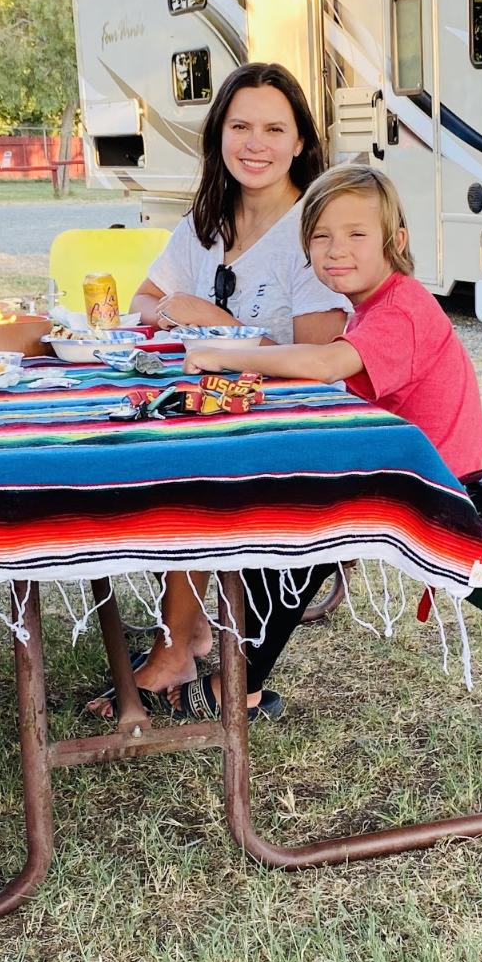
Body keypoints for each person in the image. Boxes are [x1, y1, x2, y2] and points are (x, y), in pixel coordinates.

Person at [175, 163, 482, 717]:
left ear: (397, 240)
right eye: (320, 236)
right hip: (403, 465)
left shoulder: (404, 309)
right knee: (271, 496)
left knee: (297, 524)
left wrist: (224, 352)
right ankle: (215, 647)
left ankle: (236, 686)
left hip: (432, 486)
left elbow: (323, 363)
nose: (335, 249)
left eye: (356, 234)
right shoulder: (377, 306)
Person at [90, 63, 348, 711]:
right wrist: (180, 307)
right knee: (141, 448)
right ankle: (184, 637)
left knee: (191, 467)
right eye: (239, 126)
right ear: (218, 135)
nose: (253, 143)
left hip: (290, 427)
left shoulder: (314, 232)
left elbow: (321, 360)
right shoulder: (207, 221)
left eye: (272, 128)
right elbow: (144, 302)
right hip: (212, 411)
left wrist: (224, 328)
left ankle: (201, 658)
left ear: (299, 142)